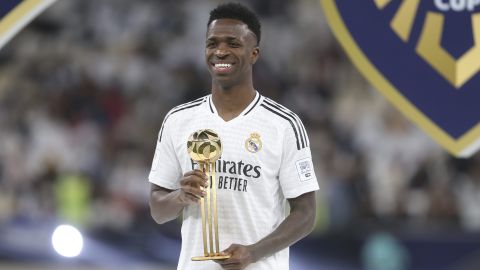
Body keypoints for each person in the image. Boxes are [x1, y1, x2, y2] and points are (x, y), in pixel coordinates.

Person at [148, 3, 319, 270]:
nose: (220, 51)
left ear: (254, 53)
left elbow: (306, 215)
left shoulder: (283, 124)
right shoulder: (178, 120)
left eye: (233, 43)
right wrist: (180, 196)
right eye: (212, 43)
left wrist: (253, 252)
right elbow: (158, 210)